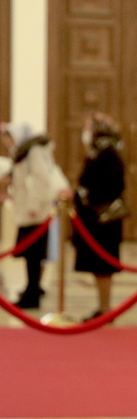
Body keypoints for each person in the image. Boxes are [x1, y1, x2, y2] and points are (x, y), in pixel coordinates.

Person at [4, 127, 70, 308]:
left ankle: (32, 293)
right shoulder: (26, 152)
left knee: (33, 256)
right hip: (28, 210)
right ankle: (31, 288)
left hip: (34, 212)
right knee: (30, 256)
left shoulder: (35, 152)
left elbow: (41, 179)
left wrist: (33, 206)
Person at [72, 114, 126, 320]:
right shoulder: (99, 151)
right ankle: (102, 306)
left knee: (103, 267)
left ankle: (105, 308)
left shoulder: (108, 153)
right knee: (97, 267)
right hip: (95, 220)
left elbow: (110, 185)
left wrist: (86, 194)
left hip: (104, 222)